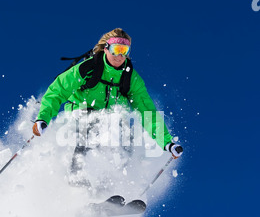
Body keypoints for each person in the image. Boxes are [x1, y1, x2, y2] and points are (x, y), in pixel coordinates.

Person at [33, 28, 183, 178]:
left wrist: (167, 142)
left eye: (124, 50)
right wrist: (43, 118)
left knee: (126, 138)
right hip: (80, 113)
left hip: (111, 119)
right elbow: (58, 89)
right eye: (116, 49)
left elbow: (147, 111)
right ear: (106, 49)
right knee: (95, 124)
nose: (119, 55)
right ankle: (76, 176)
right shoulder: (89, 68)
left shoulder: (130, 78)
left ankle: (106, 187)